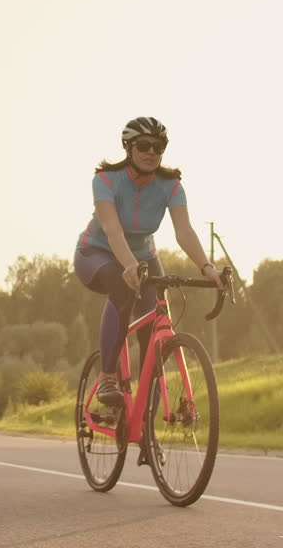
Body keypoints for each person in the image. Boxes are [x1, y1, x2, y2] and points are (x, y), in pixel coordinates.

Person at [73, 117, 225, 406]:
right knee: (121, 288)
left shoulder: (170, 185)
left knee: (153, 325)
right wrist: (129, 265)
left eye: (159, 146)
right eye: (144, 145)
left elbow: (185, 231)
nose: (151, 152)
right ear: (128, 148)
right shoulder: (106, 180)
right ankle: (107, 378)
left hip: (144, 258)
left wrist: (206, 268)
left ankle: (146, 419)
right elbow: (112, 229)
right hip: (96, 254)